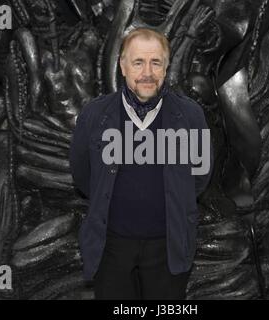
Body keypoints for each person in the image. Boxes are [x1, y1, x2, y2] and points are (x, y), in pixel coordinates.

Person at [69, 27, 213, 300]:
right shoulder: (96, 114)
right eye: (138, 62)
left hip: (169, 247)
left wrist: (176, 198)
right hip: (111, 247)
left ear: (165, 67)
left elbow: (201, 174)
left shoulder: (191, 115)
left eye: (155, 62)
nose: (147, 72)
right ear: (123, 66)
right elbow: (82, 173)